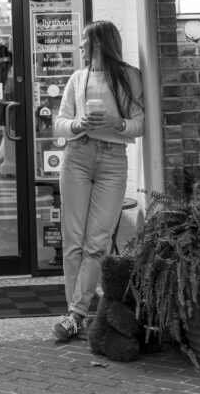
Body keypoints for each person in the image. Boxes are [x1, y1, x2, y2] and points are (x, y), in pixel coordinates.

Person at [51, 20, 144, 342]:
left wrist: (118, 123)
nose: (79, 47)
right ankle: (74, 312)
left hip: (114, 160)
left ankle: (76, 313)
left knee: (97, 241)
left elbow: (140, 123)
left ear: (100, 44)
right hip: (78, 155)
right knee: (73, 239)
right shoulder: (78, 78)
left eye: (83, 41)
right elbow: (59, 123)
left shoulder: (129, 76)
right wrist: (77, 124)